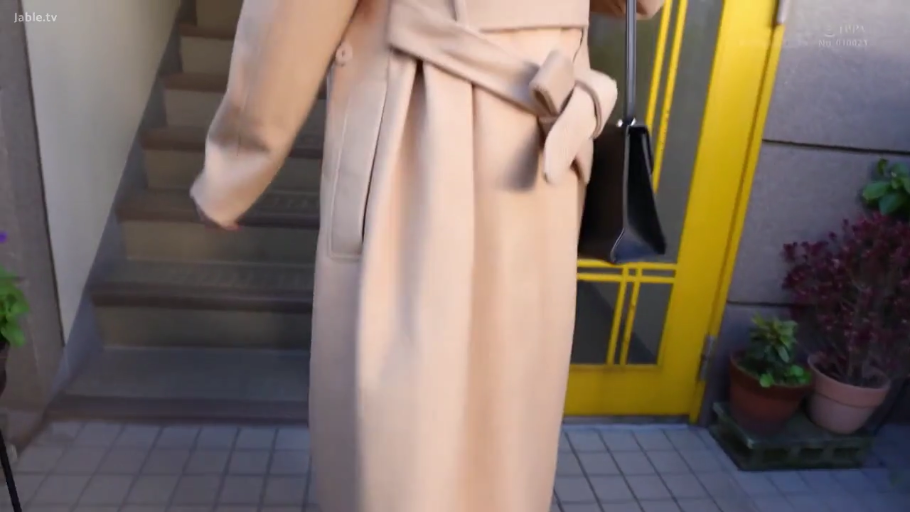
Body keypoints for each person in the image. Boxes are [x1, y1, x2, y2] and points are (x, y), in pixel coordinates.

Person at [191, 0, 664, 510]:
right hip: (544, 149)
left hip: (421, 124)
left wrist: (235, 166)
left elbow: (290, 18)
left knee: (404, 428)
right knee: (508, 419)